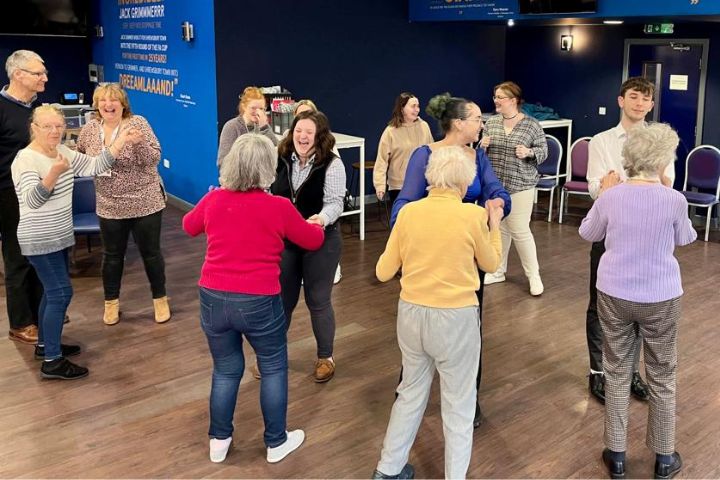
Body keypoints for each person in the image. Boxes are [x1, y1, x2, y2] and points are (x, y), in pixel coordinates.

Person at [183, 134, 324, 465]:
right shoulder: (279, 206)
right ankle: (276, 442)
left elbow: (189, 226)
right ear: (268, 168)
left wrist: (209, 203)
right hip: (259, 299)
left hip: (213, 297)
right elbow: (312, 240)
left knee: (226, 369)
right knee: (273, 367)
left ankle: (219, 440)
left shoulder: (214, 200)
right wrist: (314, 223)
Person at [373, 146, 503, 480]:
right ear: (464, 184)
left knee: (410, 393)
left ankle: (387, 470)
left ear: (430, 178)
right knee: (459, 404)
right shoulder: (472, 216)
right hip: (456, 319)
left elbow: (383, 272)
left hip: (412, 314)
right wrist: (495, 225)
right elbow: (491, 264)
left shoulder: (409, 214)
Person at [579, 123, 695, 480]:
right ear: (661, 161)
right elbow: (687, 238)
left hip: (614, 293)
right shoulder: (674, 199)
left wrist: (604, 195)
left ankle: (616, 455)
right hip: (660, 296)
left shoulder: (612, 196)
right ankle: (664, 457)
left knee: (616, 371)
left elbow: (588, 232)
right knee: (662, 375)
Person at [390, 92, 511, 427]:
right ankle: (410, 390)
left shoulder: (478, 157)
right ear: (459, 123)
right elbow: (404, 206)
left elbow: (497, 192)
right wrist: (417, 229)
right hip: (429, 255)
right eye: (476, 119)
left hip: (466, 256)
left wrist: (498, 204)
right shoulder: (424, 156)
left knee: (472, 327)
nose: (481, 124)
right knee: (420, 327)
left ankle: (468, 399)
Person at [11, 104, 142, 380]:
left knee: (52, 292)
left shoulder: (65, 152)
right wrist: (54, 172)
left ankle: (47, 346)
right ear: (34, 128)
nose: (55, 131)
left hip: (59, 235)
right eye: (47, 126)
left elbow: (96, 165)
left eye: (58, 126)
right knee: (61, 293)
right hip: (39, 237)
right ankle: (52, 361)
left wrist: (120, 142)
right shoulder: (25, 159)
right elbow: (33, 200)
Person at [584, 77, 672, 405]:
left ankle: (631, 371)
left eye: (645, 99)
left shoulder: (661, 143)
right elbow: (595, 188)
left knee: (637, 306)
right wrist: (611, 187)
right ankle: (598, 372)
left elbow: (668, 186)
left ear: (651, 105)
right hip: (610, 232)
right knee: (599, 305)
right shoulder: (602, 141)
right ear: (621, 100)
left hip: (649, 236)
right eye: (633, 97)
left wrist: (620, 185)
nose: (639, 103)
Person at [76, 83, 170, 325]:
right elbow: (82, 160)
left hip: (144, 201)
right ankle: (111, 303)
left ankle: (160, 299)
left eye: (114, 100)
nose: (109, 105)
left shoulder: (138, 123)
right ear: (97, 105)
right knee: (112, 255)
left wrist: (139, 144)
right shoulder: (89, 130)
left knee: (151, 254)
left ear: (123, 104)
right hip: (109, 204)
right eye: (103, 101)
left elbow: (154, 158)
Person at [270, 111, 346, 383]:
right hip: (287, 241)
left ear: (319, 137)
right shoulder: (280, 158)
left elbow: (336, 202)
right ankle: (272, 355)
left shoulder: (332, 164)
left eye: (309, 132)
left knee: (318, 300)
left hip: (321, 241)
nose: (302, 137)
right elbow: (269, 192)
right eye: (298, 130)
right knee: (282, 300)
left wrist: (322, 219)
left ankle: (326, 357)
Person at [480, 81, 548, 296]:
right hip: (495, 186)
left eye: (500, 97)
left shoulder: (531, 125)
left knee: (519, 230)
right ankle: (499, 271)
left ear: (513, 100)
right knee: (500, 229)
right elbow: (480, 152)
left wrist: (528, 152)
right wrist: (482, 145)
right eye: (495, 97)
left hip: (521, 185)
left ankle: (533, 276)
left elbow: (543, 151)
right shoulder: (490, 123)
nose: (496, 101)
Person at [1, 50, 47, 345]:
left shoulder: (36, 109)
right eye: (38, 73)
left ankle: (40, 312)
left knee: (39, 255)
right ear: (18, 75)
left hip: (39, 192)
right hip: (9, 194)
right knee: (18, 258)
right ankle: (21, 323)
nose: (45, 77)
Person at [373, 92, 434, 205]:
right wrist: (380, 185)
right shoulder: (390, 132)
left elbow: (432, 154)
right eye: (413, 106)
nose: (417, 110)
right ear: (402, 108)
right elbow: (382, 161)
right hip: (399, 186)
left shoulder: (424, 126)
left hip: (422, 183)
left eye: (418, 106)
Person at [217, 86, 277, 166]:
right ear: (244, 107)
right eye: (253, 108)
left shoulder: (264, 127)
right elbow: (222, 162)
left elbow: (275, 150)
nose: (257, 112)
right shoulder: (232, 127)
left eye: (261, 108)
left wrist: (264, 127)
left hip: (263, 176)